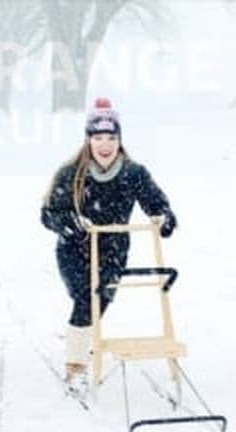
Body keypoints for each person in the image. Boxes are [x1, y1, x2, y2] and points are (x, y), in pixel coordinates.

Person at [41, 97, 177, 395]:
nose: (105, 145)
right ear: (88, 140)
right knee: (86, 298)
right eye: (98, 137)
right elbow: (48, 214)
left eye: (111, 138)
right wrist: (70, 222)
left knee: (98, 301)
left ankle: (82, 338)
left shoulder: (133, 174)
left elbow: (160, 206)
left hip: (113, 249)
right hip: (75, 249)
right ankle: (75, 367)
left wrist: (162, 218)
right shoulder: (71, 173)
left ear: (120, 140)